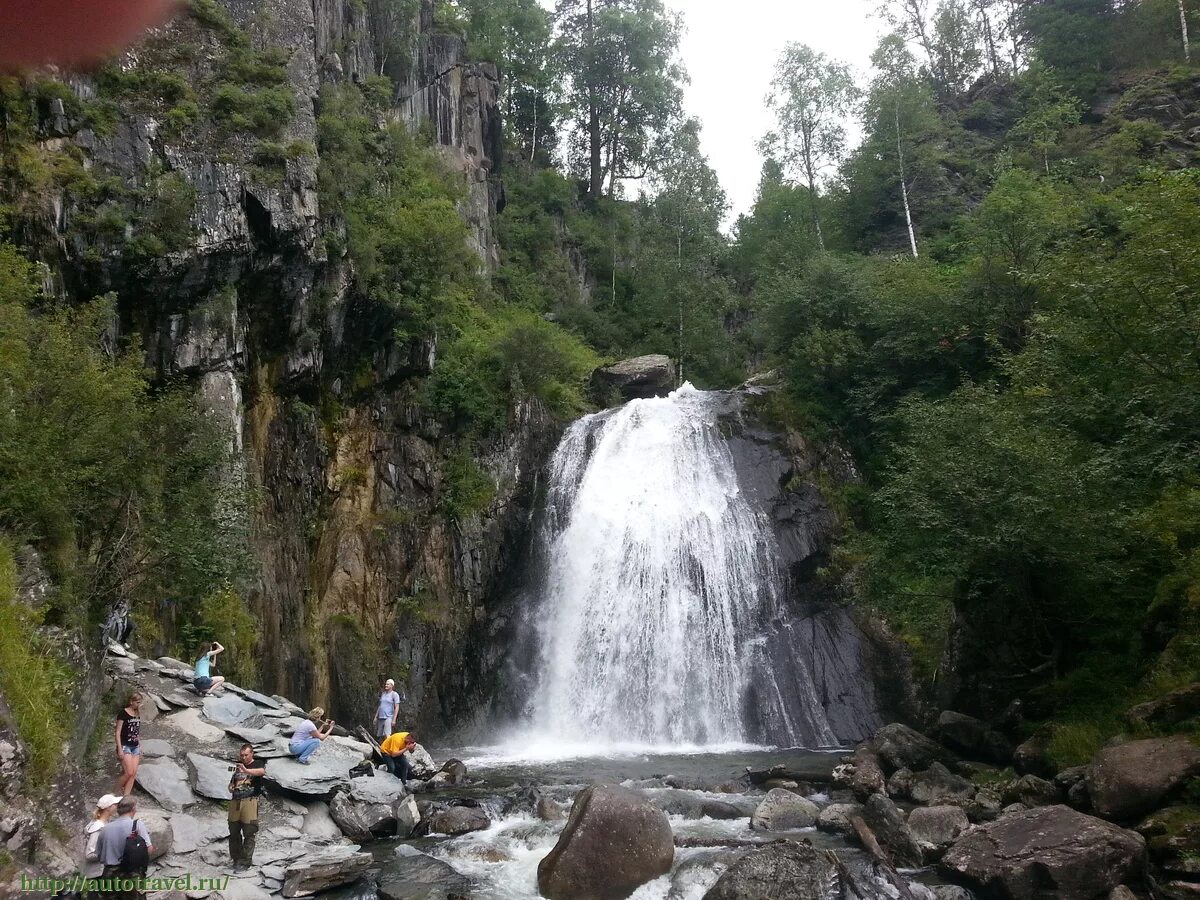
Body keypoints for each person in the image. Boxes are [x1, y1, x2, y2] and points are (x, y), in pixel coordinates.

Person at [95, 796, 153, 898]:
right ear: (133, 809)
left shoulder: (105, 829)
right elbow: (149, 849)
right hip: (132, 874)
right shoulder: (137, 825)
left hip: (109, 875)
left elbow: (98, 854)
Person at [227, 743, 265, 871]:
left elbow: (261, 772)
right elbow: (232, 783)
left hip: (250, 801)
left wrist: (246, 770)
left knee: (249, 832)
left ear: (252, 753)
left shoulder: (258, 764)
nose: (243, 757)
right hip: (235, 801)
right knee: (233, 831)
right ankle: (236, 859)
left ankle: (245, 862)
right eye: (242, 755)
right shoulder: (238, 767)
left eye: (246, 755)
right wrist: (231, 787)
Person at [83, 794, 123, 880]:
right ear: (108, 808)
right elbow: (89, 854)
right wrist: (110, 853)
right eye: (115, 805)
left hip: (102, 872)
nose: (117, 806)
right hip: (97, 874)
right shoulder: (98, 827)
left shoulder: (103, 824)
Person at [114, 693, 143, 797]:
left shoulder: (137, 713)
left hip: (135, 746)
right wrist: (120, 749)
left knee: (133, 773)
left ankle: (126, 797)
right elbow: (117, 732)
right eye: (137, 702)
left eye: (140, 702)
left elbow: (136, 731)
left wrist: (139, 746)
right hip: (125, 745)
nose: (138, 705)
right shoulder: (123, 713)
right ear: (131, 701)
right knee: (129, 772)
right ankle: (115, 792)